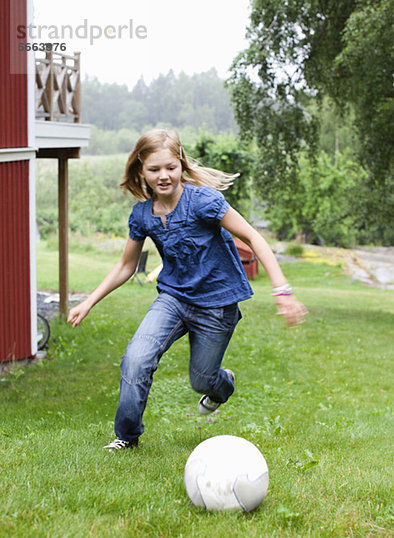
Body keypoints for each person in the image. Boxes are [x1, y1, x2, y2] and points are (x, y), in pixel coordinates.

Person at [67, 129, 307, 451]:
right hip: (173, 299)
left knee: (202, 380)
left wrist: (282, 291)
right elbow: (126, 266)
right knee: (136, 360)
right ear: (141, 172)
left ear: (180, 164)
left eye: (170, 167)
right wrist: (89, 301)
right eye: (154, 170)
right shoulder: (142, 215)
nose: (163, 176)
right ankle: (127, 437)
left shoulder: (204, 202)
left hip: (216, 305)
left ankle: (223, 384)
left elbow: (254, 238)